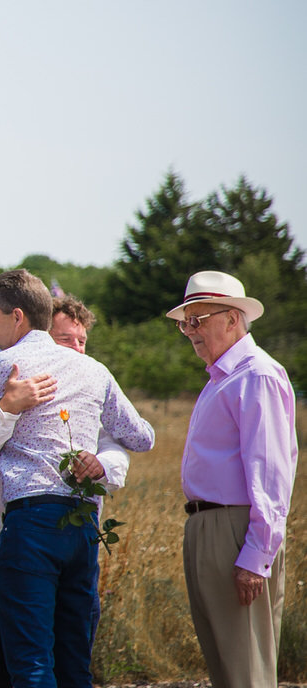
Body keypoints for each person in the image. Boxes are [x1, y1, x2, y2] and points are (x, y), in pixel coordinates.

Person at [0, 270, 154, 688]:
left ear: (17, 317)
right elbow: (142, 436)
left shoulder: (0, 366)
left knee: (32, 667)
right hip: (83, 528)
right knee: (75, 665)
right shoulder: (94, 370)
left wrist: (5, 404)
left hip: (29, 527)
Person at [167, 271, 296, 688]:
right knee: (226, 668)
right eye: (185, 323)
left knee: (246, 670)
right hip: (209, 526)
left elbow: (271, 473)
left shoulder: (256, 375)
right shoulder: (224, 378)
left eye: (197, 320)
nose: (190, 333)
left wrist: (256, 556)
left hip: (235, 529)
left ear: (233, 319)